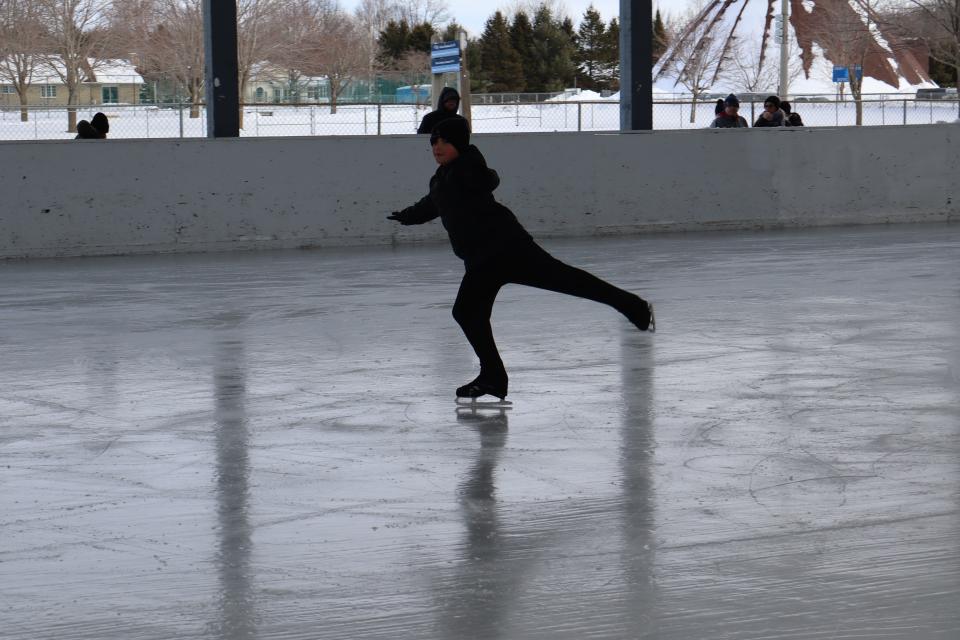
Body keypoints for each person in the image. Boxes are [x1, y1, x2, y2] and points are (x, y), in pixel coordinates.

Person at [388, 116, 655, 401]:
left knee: (563, 282)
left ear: (460, 144)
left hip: (504, 249)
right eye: (434, 141)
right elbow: (434, 203)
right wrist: (408, 216)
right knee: (471, 311)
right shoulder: (443, 176)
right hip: (484, 258)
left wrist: (478, 171)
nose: (437, 146)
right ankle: (494, 376)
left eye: (445, 141)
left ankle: (634, 307)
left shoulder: (466, 169)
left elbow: (484, 178)